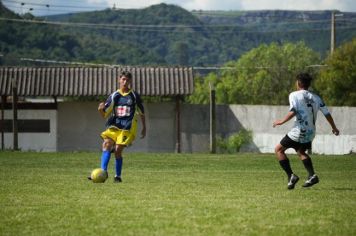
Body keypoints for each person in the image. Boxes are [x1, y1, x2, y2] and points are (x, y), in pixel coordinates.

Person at [273, 72, 339, 190]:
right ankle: (312, 175)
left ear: (298, 83)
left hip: (299, 130)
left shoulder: (294, 95)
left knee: (278, 149)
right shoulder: (316, 97)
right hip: (311, 132)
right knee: (301, 151)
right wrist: (334, 127)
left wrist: (281, 121)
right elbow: (327, 114)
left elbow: (293, 111)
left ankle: (291, 176)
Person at [89, 71, 146, 183]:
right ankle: (103, 172)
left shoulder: (134, 96)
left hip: (127, 127)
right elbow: (105, 114)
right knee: (106, 144)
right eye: (123, 79)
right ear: (119, 80)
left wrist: (144, 128)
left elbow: (141, 113)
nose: (125, 82)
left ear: (130, 81)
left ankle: (118, 176)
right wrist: (100, 109)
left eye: (127, 80)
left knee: (118, 150)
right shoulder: (114, 95)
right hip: (114, 125)